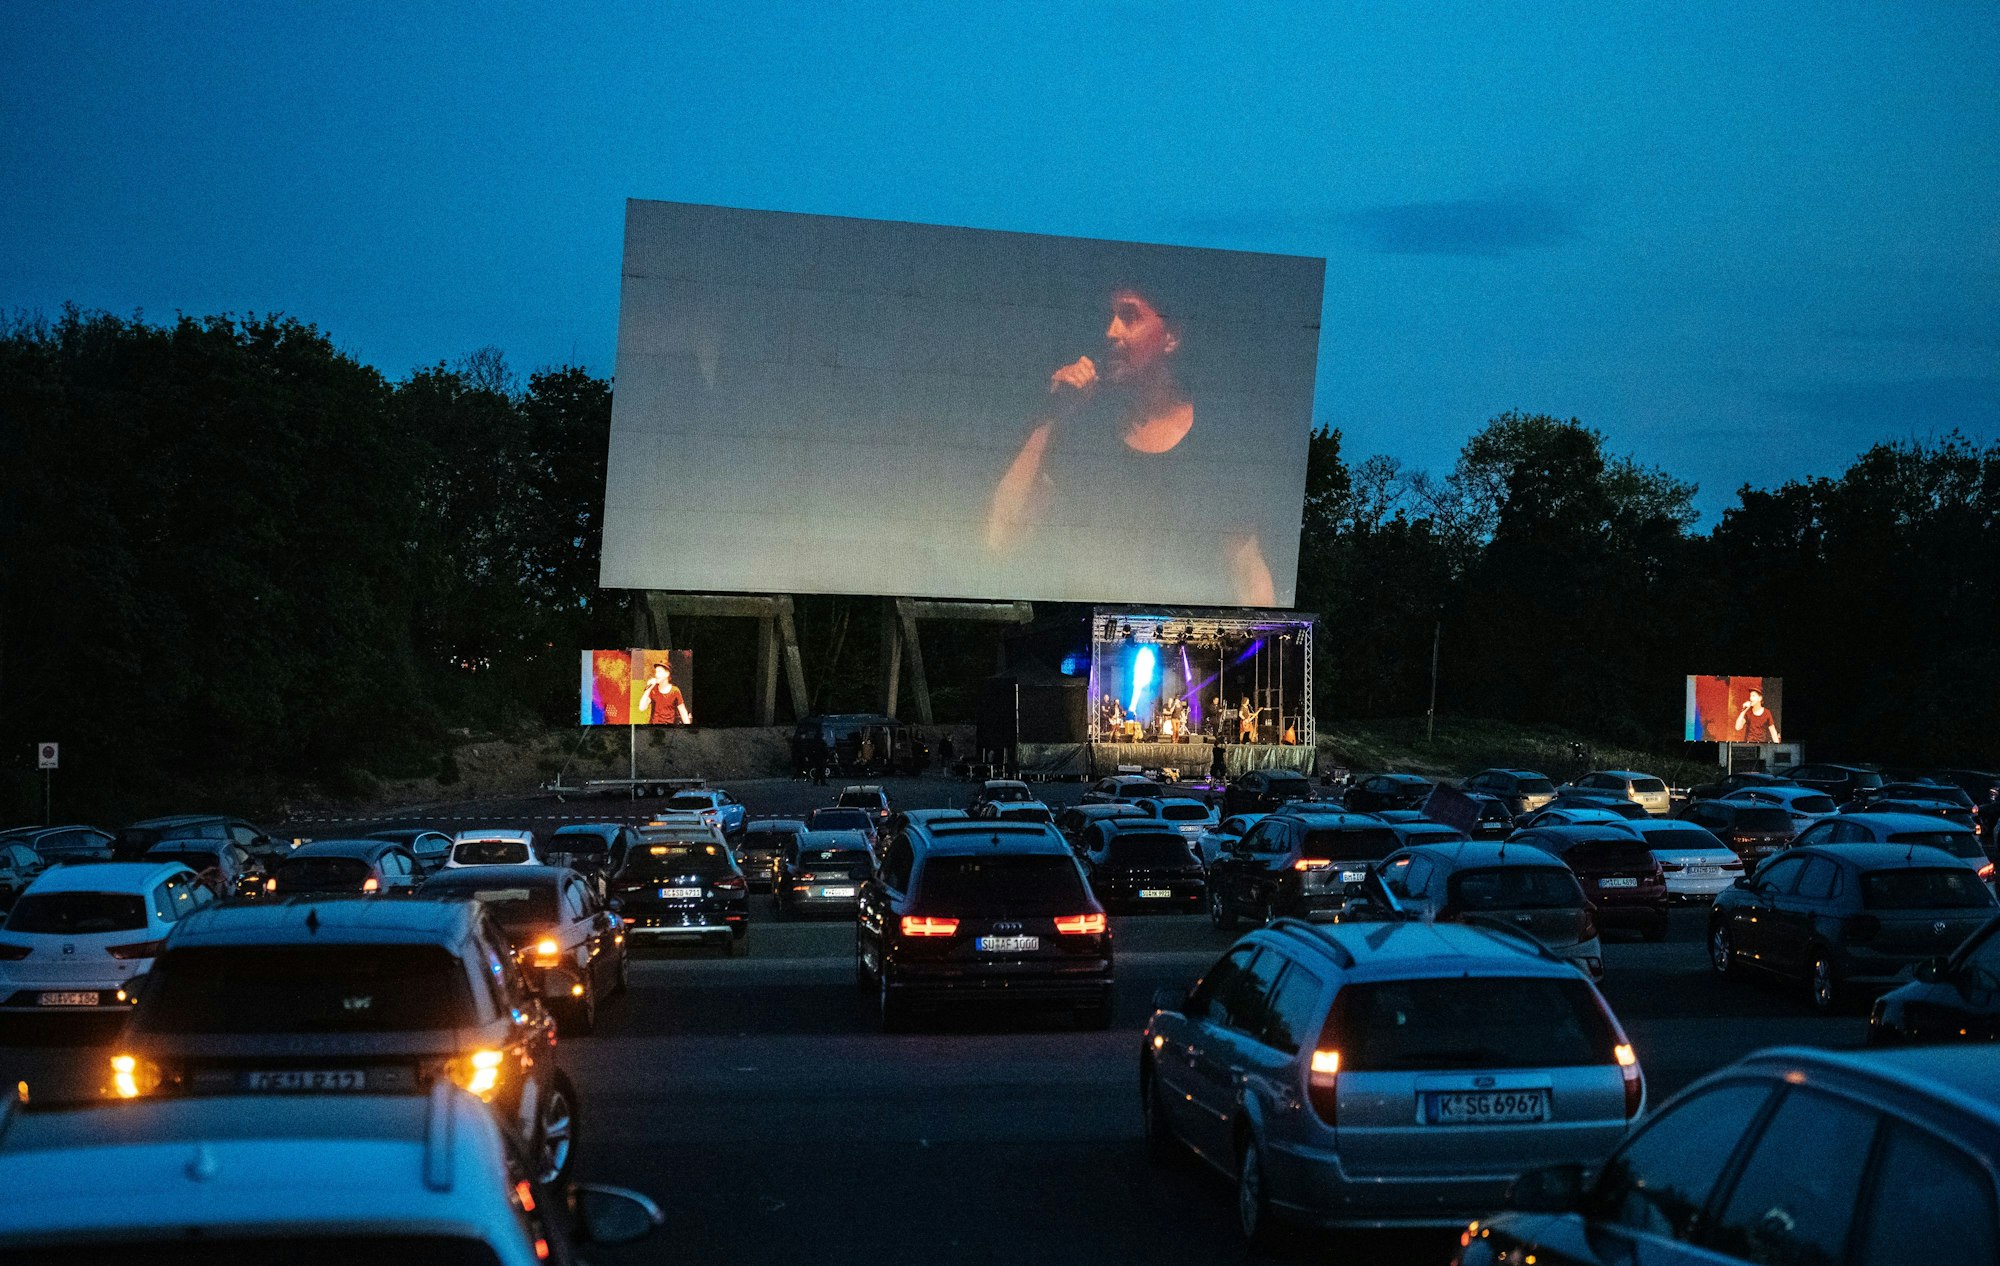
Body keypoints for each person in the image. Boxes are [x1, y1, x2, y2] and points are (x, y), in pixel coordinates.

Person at [983, 285, 1276, 606]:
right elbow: (1002, 537)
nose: (1111, 331)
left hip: (1188, 646)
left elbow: (1247, 572)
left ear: (1171, 337)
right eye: (1110, 317)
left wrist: (1263, 650)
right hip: (1094, 645)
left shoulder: (1218, 442)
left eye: (1129, 316)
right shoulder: (1085, 428)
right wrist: (1052, 415)